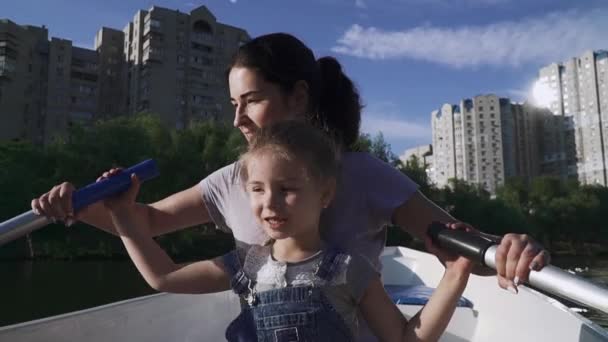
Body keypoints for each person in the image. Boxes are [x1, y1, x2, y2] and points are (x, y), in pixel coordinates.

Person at [31, 32, 548, 297]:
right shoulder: (233, 180)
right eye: (233, 104)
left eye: (250, 101)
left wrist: (502, 250)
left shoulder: (363, 172)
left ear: (298, 96)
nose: (237, 119)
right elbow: (144, 222)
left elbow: (446, 239)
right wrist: (78, 209)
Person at [103, 121, 474, 341]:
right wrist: (122, 213)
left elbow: (405, 340)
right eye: (258, 189)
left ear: (325, 194)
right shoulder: (246, 265)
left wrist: (454, 277)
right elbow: (163, 275)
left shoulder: (351, 269)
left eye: (287, 189)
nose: (270, 203)